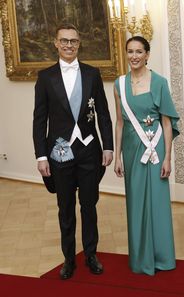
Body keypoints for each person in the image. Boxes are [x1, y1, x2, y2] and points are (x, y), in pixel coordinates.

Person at [33, 24, 113, 280]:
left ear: (79, 44)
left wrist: (108, 146)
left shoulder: (92, 74)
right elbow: (39, 119)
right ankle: (69, 259)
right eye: (64, 41)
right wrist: (41, 155)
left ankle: (90, 254)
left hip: (90, 152)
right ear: (56, 43)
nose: (69, 45)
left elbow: (103, 112)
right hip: (59, 153)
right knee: (65, 208)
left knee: (89, 206)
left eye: (74, 41)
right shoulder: (45, 77)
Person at [113, 36, 179, 275]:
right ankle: (141, 258)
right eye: (130, 51)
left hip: (156, 147)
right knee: (135, 201)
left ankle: (162, 257)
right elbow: (120, 123)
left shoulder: (159, 82)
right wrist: (118, 156)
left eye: (139, 51)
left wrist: (168, 157)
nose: (134, 56)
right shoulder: (119, 84)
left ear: (147, 54)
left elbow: (168, 123)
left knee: (158, 202)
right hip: (132, 148)